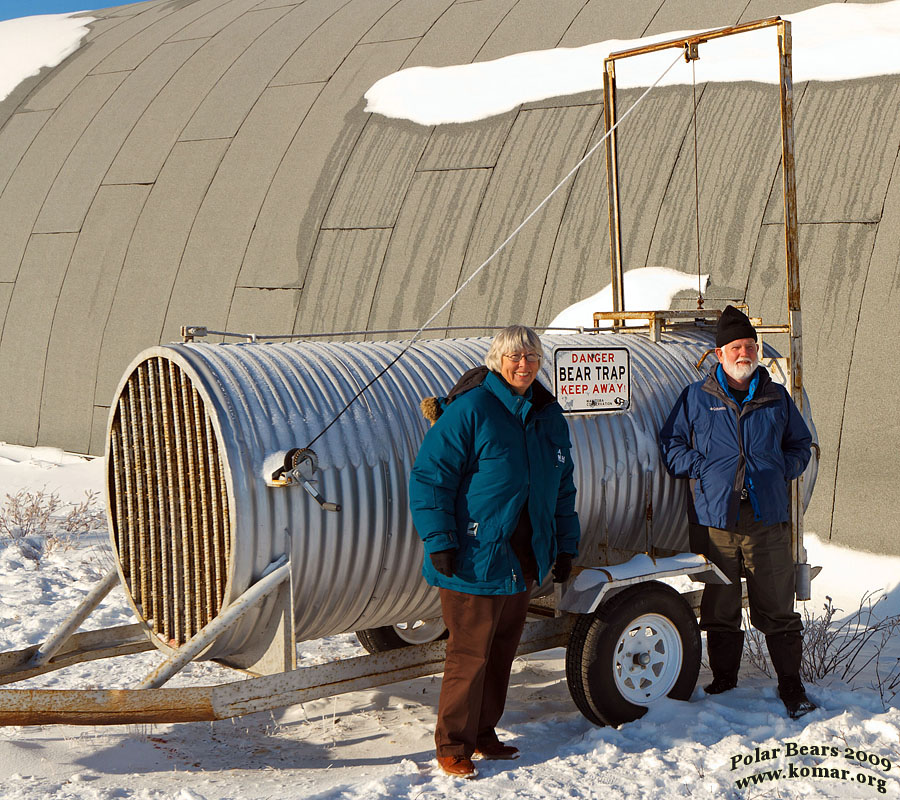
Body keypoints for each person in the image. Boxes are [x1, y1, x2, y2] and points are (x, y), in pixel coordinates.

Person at [409, 325, 580, 778]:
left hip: (521, 561)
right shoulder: (473, 409)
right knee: (469, 656)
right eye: (514, 356)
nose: (524, 364)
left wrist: (565, 547)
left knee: (502, 652)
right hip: (474, 556)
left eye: (531, 356)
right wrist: (441, 540)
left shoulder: (547, 415)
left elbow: (562, 489)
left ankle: (484, 733)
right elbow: (430, 478)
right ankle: (452, 744)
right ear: (496, 360)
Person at [658, 305, 816, 719]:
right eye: (735, 346)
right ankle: (724, 680)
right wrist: (703, 469)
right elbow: (671, 447)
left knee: (777, 607)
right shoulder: (696, 397)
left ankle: (791, 686)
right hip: (716, 522)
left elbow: (801, 445)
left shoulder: (775, 396)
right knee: (720, 605)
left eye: (749, 345)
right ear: (719, 353)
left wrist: (782, 468)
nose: (743, 352)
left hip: (767, 521)